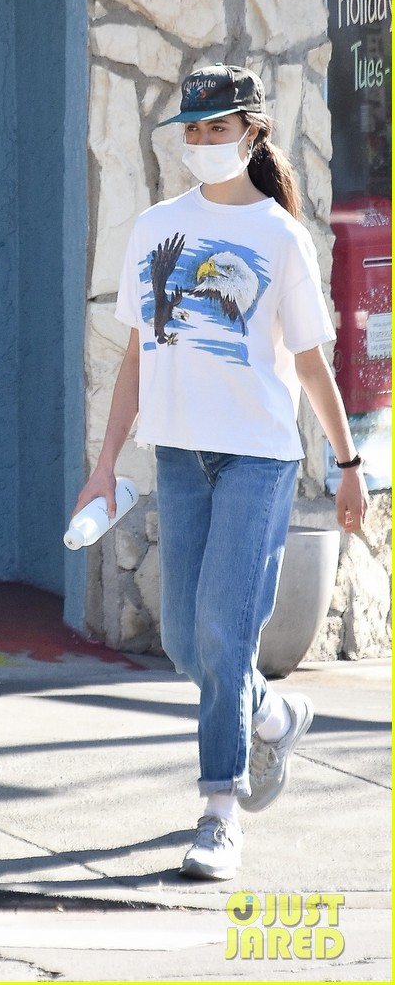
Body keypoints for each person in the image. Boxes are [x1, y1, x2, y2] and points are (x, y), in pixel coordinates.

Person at [73, 63, 368, 881]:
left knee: (223, 633)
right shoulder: (154, 227)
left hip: (258, 458)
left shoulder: (280, 237)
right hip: (178, 453)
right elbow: (136, 355)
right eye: (192, 131)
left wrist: (347, 467)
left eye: (217, 129)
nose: (202, 144)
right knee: (182, 639)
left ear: (252, 131)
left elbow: (309, 364)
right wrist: (103, 464)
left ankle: (216, 813)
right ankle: (271, 714)